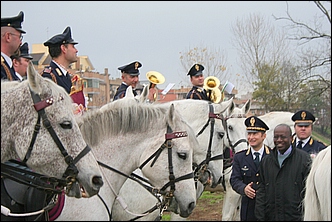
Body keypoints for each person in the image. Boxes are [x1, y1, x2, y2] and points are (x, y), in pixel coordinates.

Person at [255, 123, 312, 221]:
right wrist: (260, 217)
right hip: (271, 217)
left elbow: (309, 192)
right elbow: (261, 192)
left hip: (296, 217)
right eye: (276, 137)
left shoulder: (304, 159)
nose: (279, 140)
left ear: (291, 138)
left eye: (283, 137)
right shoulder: (266, 161)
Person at [230, 116, 271, 221]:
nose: (251, 137)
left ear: (263, 136)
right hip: (248, 209)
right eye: (249, 134)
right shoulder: (240, 157)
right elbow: (234, 179)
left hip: (269, 208)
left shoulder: (273, 156)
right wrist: (243, 188)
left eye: (255, 134)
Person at [41, 26, 78, 94]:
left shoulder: (65, 75)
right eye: (73, 46)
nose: (76, 50)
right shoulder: (49, 76)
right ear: (63, 48)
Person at [1, 11, 25, 81]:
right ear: (8, 37)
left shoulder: (7, 65)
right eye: (19, 37)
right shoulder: (2, 67)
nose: (21, 42)